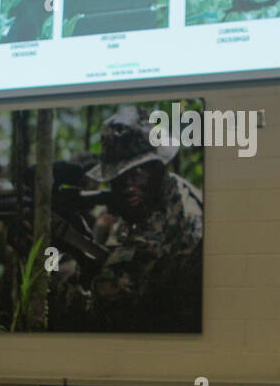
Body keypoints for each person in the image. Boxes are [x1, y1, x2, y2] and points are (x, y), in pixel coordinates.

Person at [51, 105, 203, 332]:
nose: (128, 186)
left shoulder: (165, 221)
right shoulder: (164, 195)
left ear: (156, 167)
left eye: (137, 172)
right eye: (120, 177)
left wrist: (52, 259)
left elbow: (98, 308)